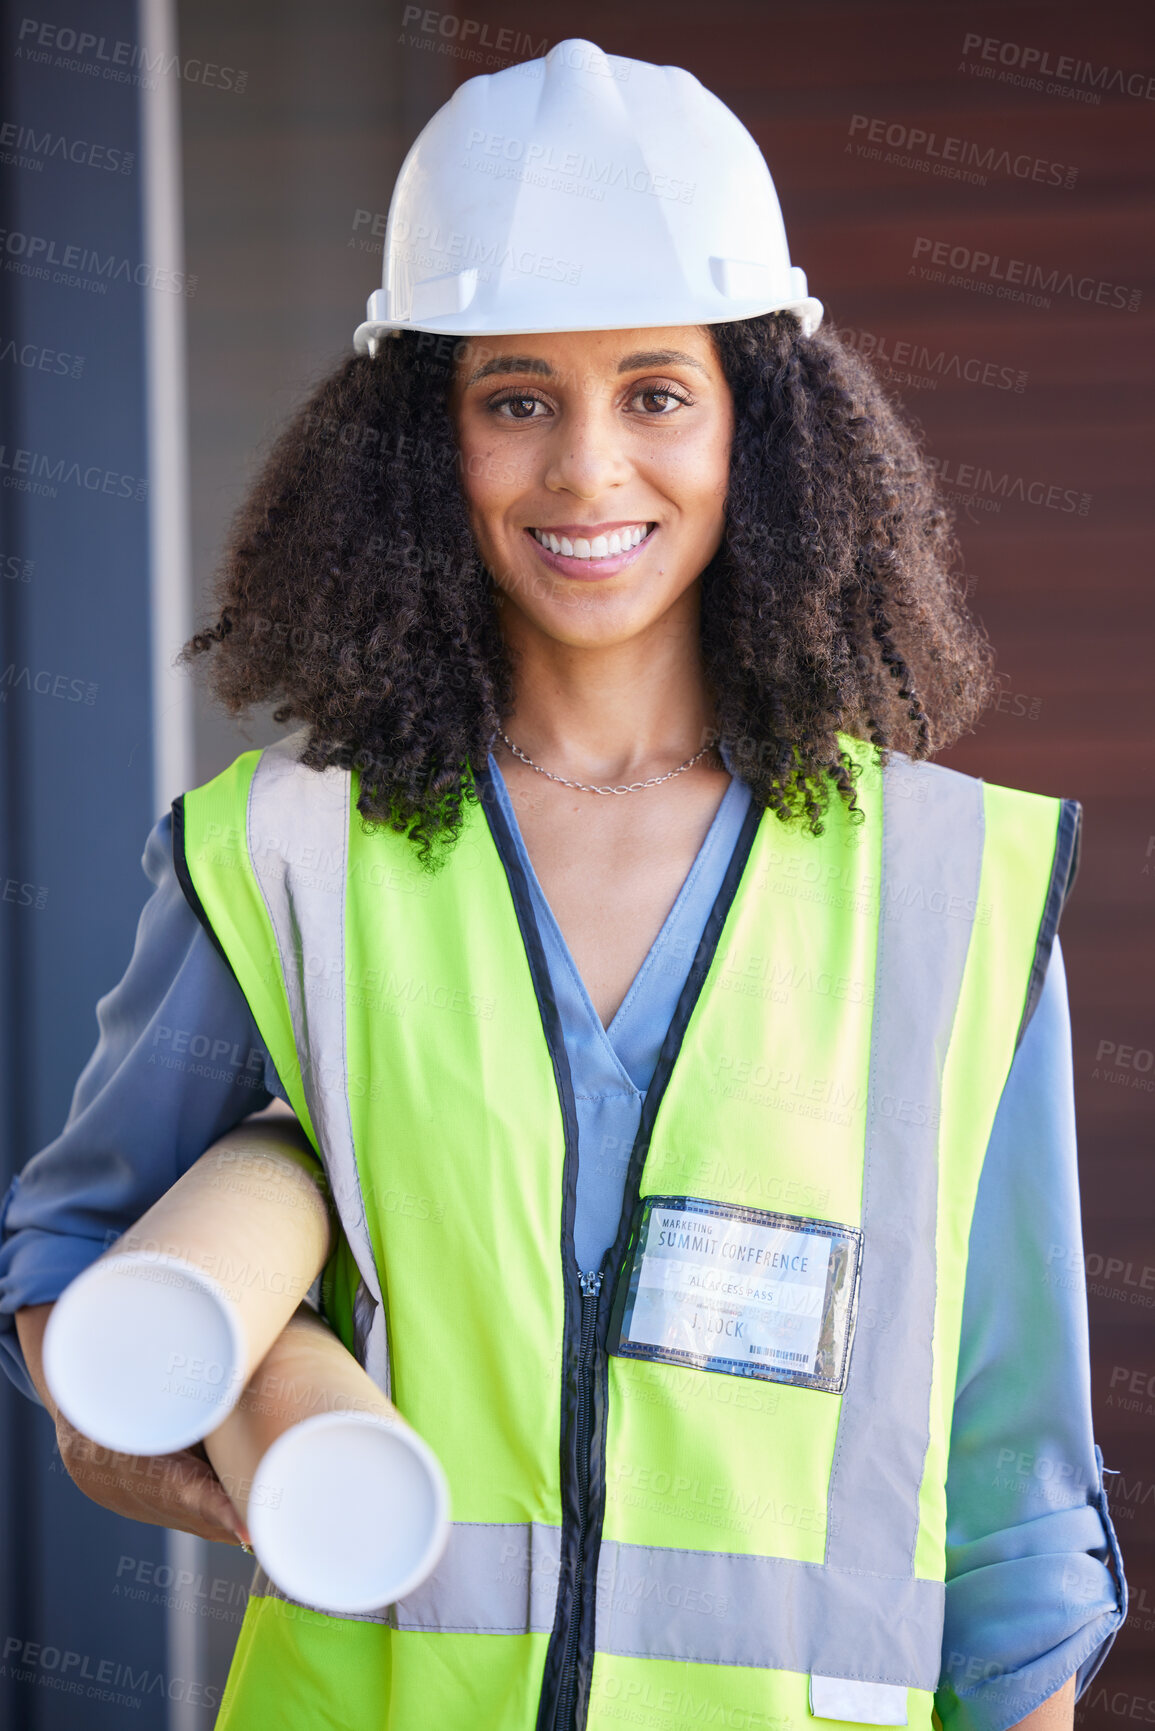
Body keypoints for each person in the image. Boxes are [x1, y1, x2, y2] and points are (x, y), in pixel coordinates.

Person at [0, 38, 1126, 1731]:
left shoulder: (952, 888)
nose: (589, 471)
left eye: (657, 392)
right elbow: (73, 1273)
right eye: (515, 398)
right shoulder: (287, 856)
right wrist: (247, 1464)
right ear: (419, 445)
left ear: (763, 423)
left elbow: (1014, 1502)